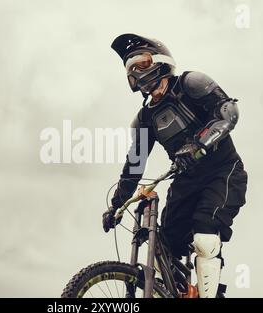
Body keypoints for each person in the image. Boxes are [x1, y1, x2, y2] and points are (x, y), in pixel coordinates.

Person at [102, 34, 248, 298]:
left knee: (205, 237)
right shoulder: (145, 119)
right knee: (160, 250)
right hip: (185, 180)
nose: (136, 71)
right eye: (130, 67)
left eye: (141, 62)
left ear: (160, 60)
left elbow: (228, 112)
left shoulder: (192, 83)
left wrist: (198, 144)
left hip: (223, 171)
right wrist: (116, 205)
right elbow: (134, 165)